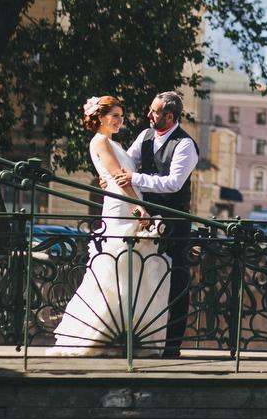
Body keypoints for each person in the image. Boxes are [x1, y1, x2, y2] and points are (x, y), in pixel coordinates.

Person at [46, 96, 170, 356]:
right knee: (114, 268)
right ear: (100, 117)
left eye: (121, 117)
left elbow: (115, 177)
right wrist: (139, 208)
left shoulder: (113, 143)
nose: (119, 121)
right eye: (114, 115)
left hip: (124, 205)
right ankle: (102, 332)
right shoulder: (100, 141)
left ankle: (123, 331)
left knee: (130, 268)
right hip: (120, 209)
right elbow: (118, 178)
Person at [113, 91, 199, 358]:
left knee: (175, 282)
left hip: (174, 222)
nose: (149, 115)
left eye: (155, 111)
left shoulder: (185, 145)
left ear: (169, 116)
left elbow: (173, 183)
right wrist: (113, 176)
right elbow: (128, 161)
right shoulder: (145, 136)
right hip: (146, 218)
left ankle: (171, 346)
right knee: (145, 279)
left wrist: (135, 178)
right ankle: (146, 340)